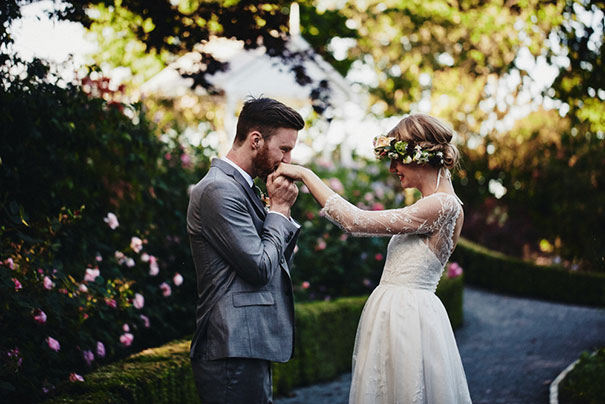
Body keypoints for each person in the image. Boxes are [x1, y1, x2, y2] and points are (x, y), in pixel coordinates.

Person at [274, 113, 472, 403]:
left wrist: (305, 174)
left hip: (407, 317)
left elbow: (355, 222)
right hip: (399, 312)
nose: (392, 169)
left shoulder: (442, 205)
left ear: (419, 156)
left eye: (396, 159)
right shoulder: (436, 204)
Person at [186, 96, 304, 404]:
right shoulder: (219, 189)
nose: (288, 160)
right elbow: (260, 268)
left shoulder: (243, 187)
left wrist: (279, 212)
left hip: (247, 343)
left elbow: (277, 263)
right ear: (255, 140)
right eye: (284, 149)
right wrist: (279, 210)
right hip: (231, 345)